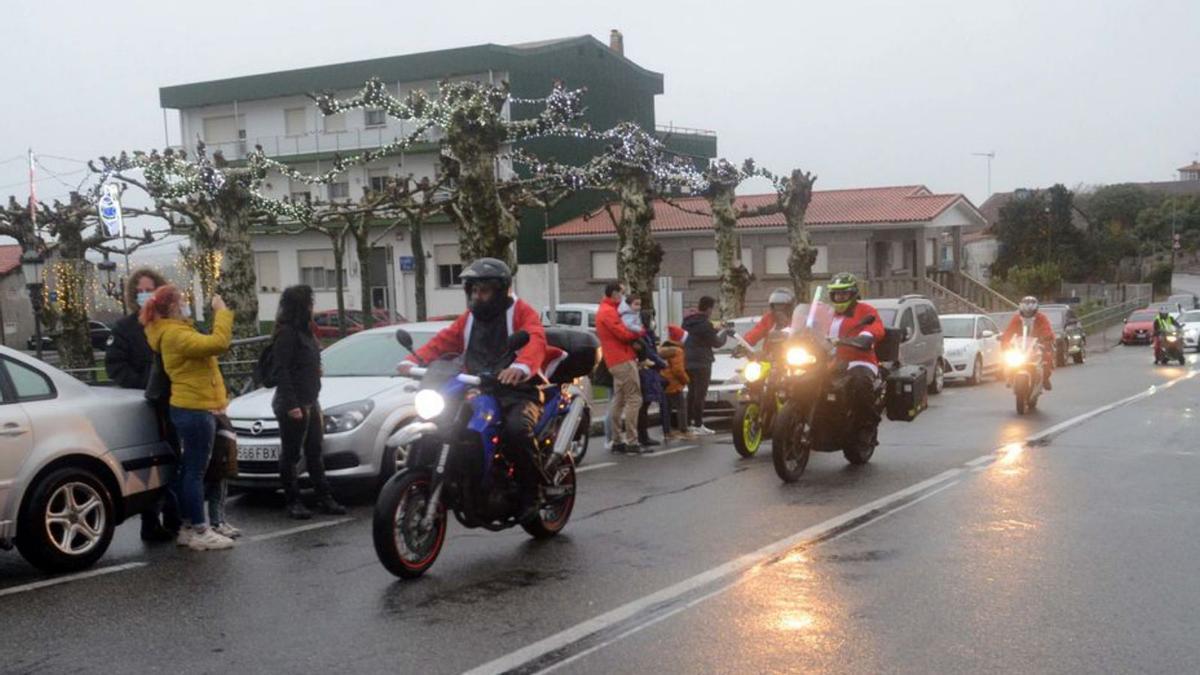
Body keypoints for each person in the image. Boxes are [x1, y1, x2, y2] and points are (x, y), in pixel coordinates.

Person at [397, 258, 547, 522]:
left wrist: (520, 367)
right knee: (444, 420)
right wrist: (415, 360)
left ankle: (532, 493)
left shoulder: (521, 312)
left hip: (517, 390)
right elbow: (444, 340)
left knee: (516, 431)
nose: (477, 296)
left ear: (500, 290)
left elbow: (535, 338)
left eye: (484, 290)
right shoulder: (469, 318)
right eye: (473, 290)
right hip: (477, 387)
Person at [142, 285, 236, 551]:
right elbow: (218, 343)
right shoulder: (174, 334)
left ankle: (186, 526)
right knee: (195, 471)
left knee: (188, 470)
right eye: (182, 302)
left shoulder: (171, 331)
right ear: (172, 307)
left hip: (191, 407)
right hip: (195, 407)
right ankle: (200, 529)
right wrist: (222, 313)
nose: (186, 305)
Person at [104, 268, 179, 542]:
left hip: (174, 400)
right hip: (144, 404)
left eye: (149, 289)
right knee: (151, 463)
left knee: (176, 459)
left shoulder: (170, 323)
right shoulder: (125, 328)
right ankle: (151, 520)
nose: (144, 294)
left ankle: (175, 515)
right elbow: (115, 366)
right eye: (139, 291)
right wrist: (143, 384)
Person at [272, 285, 348, 520]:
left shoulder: (305, 331)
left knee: (314, 451)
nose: (313, 308)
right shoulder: (287, 333)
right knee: (291, 454)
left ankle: (324, 496)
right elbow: (281, 370)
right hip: (294, 402)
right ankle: (293, 500)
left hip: (310, 399)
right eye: (309, 303)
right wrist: (292, 404)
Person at [825, 273, 887, 448]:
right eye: (836, 294)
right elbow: (809, 326)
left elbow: (877, 327)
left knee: (860, 383)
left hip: (860, 359)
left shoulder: (866, 311)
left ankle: (867, 425)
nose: (839, 298)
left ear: (852, 295)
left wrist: (866, 336)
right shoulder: (827, 313)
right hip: (830, 361)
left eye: (843, 294)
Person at [596, 282, 646, 454]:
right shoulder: (608, 312)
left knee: (619, 399)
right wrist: (639, 332)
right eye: (622, 293)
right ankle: (632, 440)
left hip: (615, 360)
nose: (624, 296)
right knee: (634, 398)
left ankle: (617, 440)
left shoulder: (606, 310)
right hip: (623, 358)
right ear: (614, 293)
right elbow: (623, 333)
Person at [682, 296, 733, 436]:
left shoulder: (687, 322)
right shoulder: (705, 324)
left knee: (691, 393)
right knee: (700, 394)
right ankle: (698, 424)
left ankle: (688, 424)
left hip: (687, 361)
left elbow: (699, 336)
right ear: (709, 308)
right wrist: (724, 333)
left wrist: (714, 329)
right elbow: (716, 343)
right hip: (702, 362)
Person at [1001, 295, 1055, 391]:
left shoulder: (1041, 318)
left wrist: (1047, 337)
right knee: (1008, 359)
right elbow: (1009, 331)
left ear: (1036, 310)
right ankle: (1010, 376)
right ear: (1021, 309)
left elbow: (1047, 329)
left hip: (1037, 345)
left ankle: (1045, 378)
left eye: (1030, 312)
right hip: (1021, 346)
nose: (1028, 314)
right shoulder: (1016, 319)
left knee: (1047, 358)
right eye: (1025, 312)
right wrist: (1004, 340)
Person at [633, 304, 668, 448]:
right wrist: (662, 363)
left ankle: (643, 435)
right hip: (645, 371)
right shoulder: (643, 336)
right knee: (643, 405)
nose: (654, 322)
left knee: (644, 405)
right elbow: (649, 353)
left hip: (650, 371)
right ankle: (642, 436)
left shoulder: (649, 336)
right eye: (652, 318)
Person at [659, 327, 691, 440]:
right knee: (681, 407)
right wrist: (686, 380)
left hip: (663, 382)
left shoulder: (662, 348)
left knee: (665, 408)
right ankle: (684, 430)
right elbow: (678, 370)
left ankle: (667, 432)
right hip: (674, 384)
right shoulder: (678, 351)